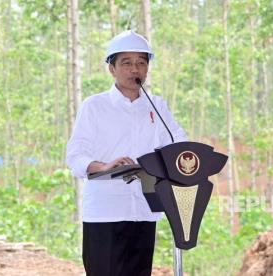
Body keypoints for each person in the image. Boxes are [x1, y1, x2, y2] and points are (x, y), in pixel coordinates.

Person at [66, 30, 187, 276]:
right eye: (127, 63)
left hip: (144, 210)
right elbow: (75, 155)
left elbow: (179, 143)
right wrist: (104, 166)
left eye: (141, 63)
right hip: (106, 212)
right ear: (112, 68)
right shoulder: (95, 106)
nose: (135, 69)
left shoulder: (157, 106)